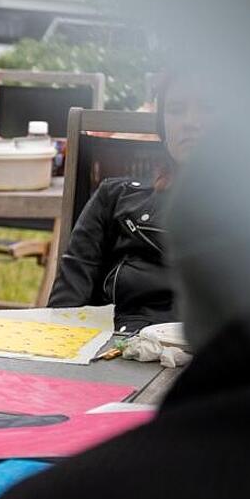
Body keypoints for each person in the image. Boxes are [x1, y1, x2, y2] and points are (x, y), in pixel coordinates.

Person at [47, 73, 209, 331]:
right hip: (117, 355)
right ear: (163, 125)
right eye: (176, 110)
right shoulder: (114, 197)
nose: (190, 122)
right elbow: (64, 313)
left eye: (208, 108)